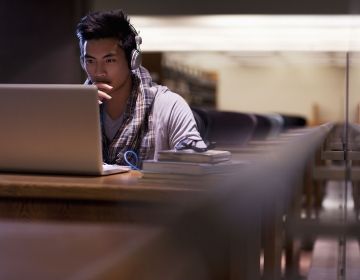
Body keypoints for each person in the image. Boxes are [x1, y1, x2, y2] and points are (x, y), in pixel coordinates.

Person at [76, 9, 206, 168]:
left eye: (109, 60)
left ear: (133, 60)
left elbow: (196, 166)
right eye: (90, 61)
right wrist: (79, 115)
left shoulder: (169, 106)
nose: (98, 71)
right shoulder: (75, 109)